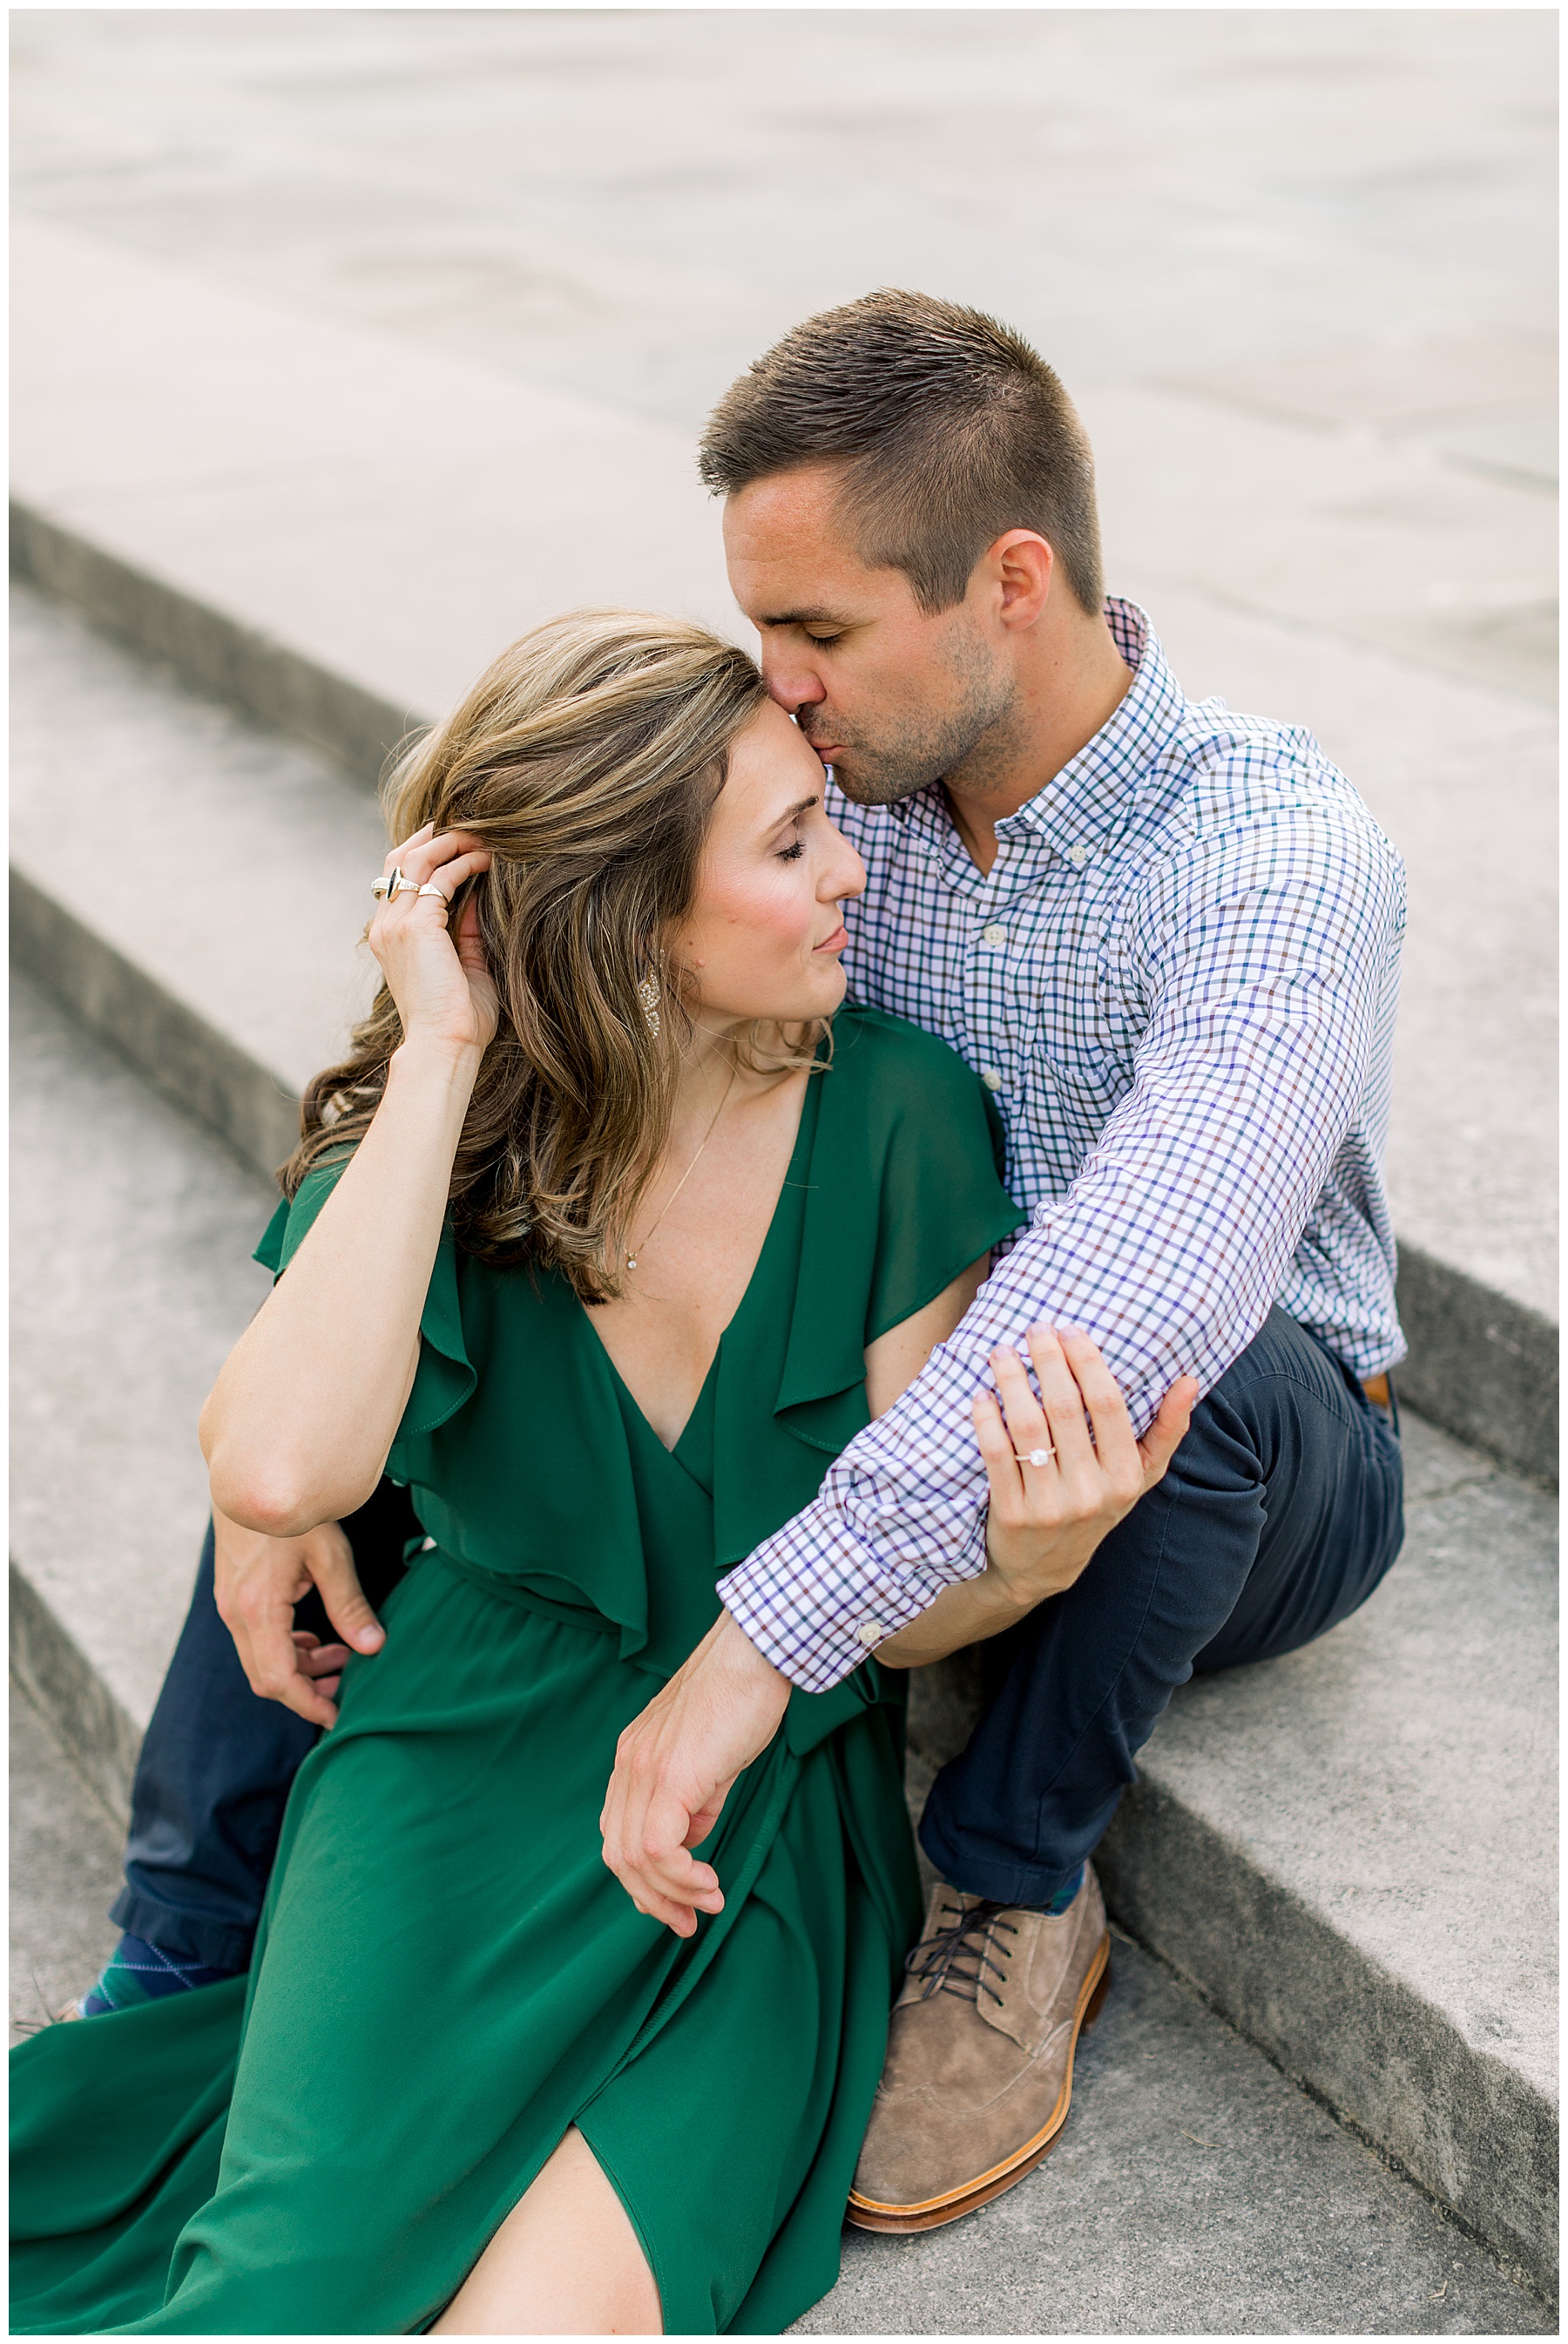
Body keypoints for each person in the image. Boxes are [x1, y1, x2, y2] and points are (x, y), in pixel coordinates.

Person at [60, 288, 1406, 2233]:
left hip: (1223, 1454)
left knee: (1140, 1378)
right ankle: (188, 1944)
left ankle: (1013, 1885)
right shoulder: (833, 790)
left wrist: (759, 1644)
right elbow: (559, 969)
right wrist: (272, 1463)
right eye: (764, 627)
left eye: (820, 632)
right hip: (856, 1397)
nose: (775, 684)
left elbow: (1137, 1280)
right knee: (369, 1387)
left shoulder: (1271, 858)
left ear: (1008, 583)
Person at [11, 611, 1191, 2335]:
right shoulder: (456, 1144)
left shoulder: (900, 1114)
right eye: (791, 843)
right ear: (629, 920)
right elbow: (279, 1462)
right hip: (446, 1778)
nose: (855, 868)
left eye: (828, 819)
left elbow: (901, 1611)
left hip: (750, 1828)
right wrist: (442, 1049)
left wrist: (1027, 1563)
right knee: (283, 2288)